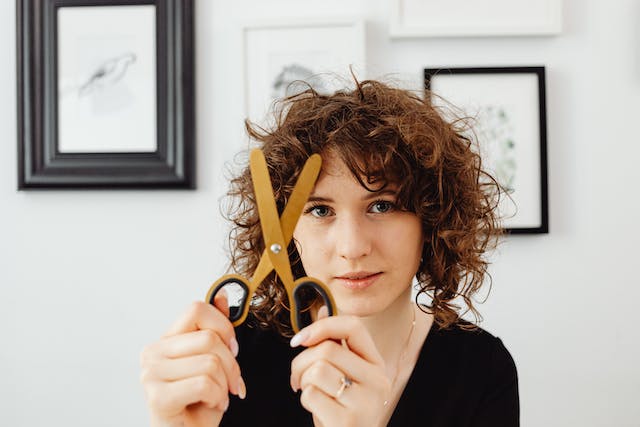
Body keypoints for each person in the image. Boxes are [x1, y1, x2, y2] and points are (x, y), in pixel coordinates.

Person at [140, 78, 519, 427]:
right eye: (320, 210)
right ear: (286, 232)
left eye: (382, 206)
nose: (352, 247)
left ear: (432, 219)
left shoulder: (481, 369)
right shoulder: (226, 359)